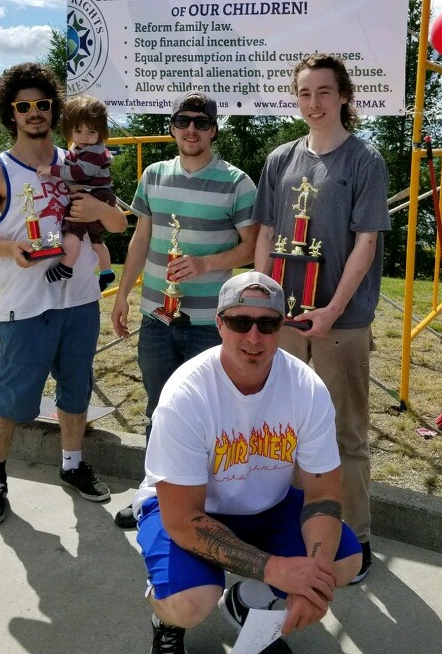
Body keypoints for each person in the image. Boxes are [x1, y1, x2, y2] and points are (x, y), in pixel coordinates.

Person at [132, 272, 363, 654]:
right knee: (191, 601)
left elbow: (323, 494)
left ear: (281, 327)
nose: (253, 337)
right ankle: (165, 618)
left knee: (345, 560)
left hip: (266, 505)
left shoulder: (306, 387)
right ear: (219, 323)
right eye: (240, 322)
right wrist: (279, 570)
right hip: (190, 510)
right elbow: (182, 520)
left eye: (267, 324)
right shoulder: (186, 395)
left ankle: (247, 604)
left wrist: (313, 578)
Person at [0, 62, 127, 526]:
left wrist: (97, 209)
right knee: (10, 398)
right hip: (26, 304)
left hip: (79, 300)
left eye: (43, 104)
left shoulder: (81, 160)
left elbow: (118, 224)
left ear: (55, 109)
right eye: (24, 106)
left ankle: (72, 466)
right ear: (10, 113)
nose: (35, 113)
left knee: (75, 392)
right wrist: (10, 247)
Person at [253, 53, 391, 585]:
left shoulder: (364, 161)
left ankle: (355, 534)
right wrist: (260, 298)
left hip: (342, 321)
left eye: (324, 93)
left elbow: (366, 242)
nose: (314, 103)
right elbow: (266, 232)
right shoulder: (281, 158)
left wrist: (333, 310)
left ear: (344, 97)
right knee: (287, 429)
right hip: (284, 320)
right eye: (305, 93)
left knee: (344, 433)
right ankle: (298, 527)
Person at [110, 91, 258, 529]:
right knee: (159, 410)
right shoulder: (154, 176)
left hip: (210, 325)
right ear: (172, 126)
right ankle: (151, 499)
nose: (191, 129)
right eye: (182, 121)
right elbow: (140, 239)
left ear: (214, 129)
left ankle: (211, 504)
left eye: (201, 122)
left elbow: (250, 247)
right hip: (157, 317)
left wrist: (205, 264)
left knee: (212, 415)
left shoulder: (237, 182)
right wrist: (122, 294)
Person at [36, 94, 117, 291]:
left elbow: (79, 173)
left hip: (93, 196)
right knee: (96, 241)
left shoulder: (94, 153)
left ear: (102, 132)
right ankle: (106, 272)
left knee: (73, 231)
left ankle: (65, 267)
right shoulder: (84, 148)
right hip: (100, 195)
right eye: (77, 131)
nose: (84, 137)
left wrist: (52, 170)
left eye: (91, 132)